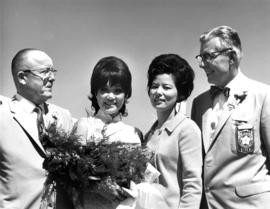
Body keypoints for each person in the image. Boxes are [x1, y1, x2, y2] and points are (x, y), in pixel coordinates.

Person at [191, 25, 270, 209]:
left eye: (208, 56)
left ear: (232, 56)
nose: (202, 64)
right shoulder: (198, 103)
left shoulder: (264, 95)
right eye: (200, 58)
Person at [0, 48, 74, 209]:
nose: (52, 77)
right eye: (44, 71)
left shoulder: (64, 116)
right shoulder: (2, 115)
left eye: (53, 71)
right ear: (22, 77)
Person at [71, 56, 142, 209]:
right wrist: (100, 186)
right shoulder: (84, 126)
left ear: (126, 94)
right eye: (104, 90)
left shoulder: (134, 134)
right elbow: (71, 175)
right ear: (95, 93)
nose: (110, 97)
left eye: (117, 91)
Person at [143, 54, 202, 209]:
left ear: (179, 93)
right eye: (154, 86)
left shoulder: (187, 129)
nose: (158, 92)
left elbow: (192, 185)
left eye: (167, 87)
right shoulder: (148, 134)